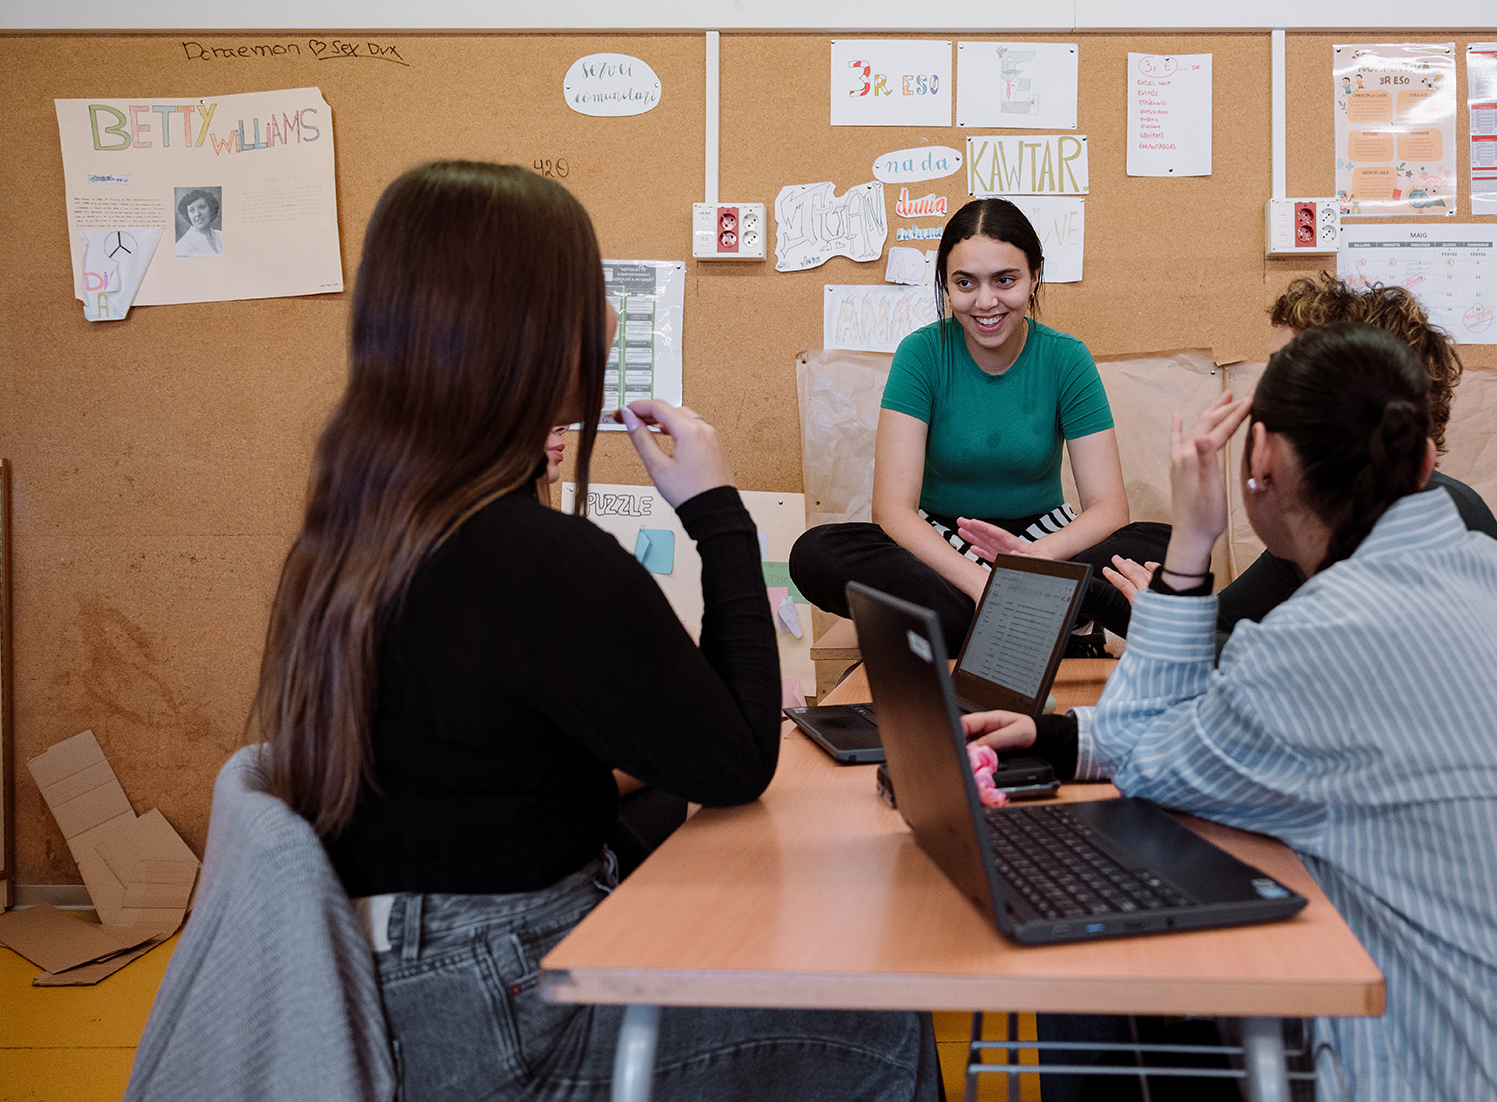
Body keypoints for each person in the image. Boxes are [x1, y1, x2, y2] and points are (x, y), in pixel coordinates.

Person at [252, 160, 935, 1102]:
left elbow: (507, 755)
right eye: (592, 291)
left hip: (392, 988)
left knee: (662, 827)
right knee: (883, 1025)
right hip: (503, 1013)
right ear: (532, 332)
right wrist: (717, 511)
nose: (608, 320)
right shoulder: (537, 560)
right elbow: (737, 760)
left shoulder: (350, 539)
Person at [967, 324, 1497, 1101]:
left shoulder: (1325, 634)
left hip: (1463, 1075)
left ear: (1264, 462)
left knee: (1099, 941)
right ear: (1425, 459)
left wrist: (1190, 543)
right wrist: (1065, 738)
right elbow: (1186, 734)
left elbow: (1149, 761)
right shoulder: (1496, 573)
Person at [791, 198, 1168, 649]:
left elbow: (1108, 508)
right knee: (815, 554)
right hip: (941, 548)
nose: (985, 302)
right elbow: (893, 510)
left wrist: (1030, 560)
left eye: (1004, 280)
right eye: (965, 283)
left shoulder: (1066, 357)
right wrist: (978, 581)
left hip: (1044, 545)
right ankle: (1042, 622)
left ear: (1033, 278)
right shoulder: (922, 353)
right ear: (946, 285)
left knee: (1167, 548)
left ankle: (971, 628)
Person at [1105, 273, 1497, 641]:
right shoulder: (1326, 517)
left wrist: (1178, 587)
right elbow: (1226, 631)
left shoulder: (1439, 528)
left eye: (1286, 372)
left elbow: (1248, 671)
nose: (1259, 396)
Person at [176, 188, 223, 256]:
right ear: (187, 215)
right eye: (192, 210)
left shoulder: (221, 235)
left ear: (211, 209)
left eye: (202, 207)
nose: (197, 214)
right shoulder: (182, 247)